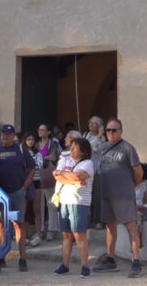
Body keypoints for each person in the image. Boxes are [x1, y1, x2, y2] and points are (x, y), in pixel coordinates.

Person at [93, 118, 143, 278]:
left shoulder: (128, 148)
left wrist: (132, 185)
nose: (110, 133)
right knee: (110, 226)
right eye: (108, 130)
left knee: (131, 226)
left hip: (123, 194)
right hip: (106, 193)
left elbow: (138, 171)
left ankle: (136, 261)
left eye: (114, 130)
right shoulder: (104, 147)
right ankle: (110, 258)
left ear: (121, 131)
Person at [0, 124, 36, 272]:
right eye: (4, 134)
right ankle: (1, 256)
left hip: (17, 191)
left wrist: (25, 185)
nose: (6, 136)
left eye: (9, 134)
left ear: (13, 136)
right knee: (0, 225)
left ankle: (22, 258)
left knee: (19, 224)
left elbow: (32, 167)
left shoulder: (21, 149)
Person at [53, 137, 94, 278]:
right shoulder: (66, 160)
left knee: (79, 234)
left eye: (75, 147)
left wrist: (65, 175)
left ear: (83, 151)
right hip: (64, 200)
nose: (71, 149)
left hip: (79, 202)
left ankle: (85, 266)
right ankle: (65, 265)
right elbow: (56, 174)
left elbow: (77, 175)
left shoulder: (88, 163)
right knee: (66, 234)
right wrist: (71, 178)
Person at [36, 123, 61, 242]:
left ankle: (52, 229)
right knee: (39, 205)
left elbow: (53, 156)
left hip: (49, 175)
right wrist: (43, 157)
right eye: (39, 129)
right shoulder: (36, 144)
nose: (40, 131)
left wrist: (40, 157)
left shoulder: (53, 144)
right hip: (37, 176)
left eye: (43, 130)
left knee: (51, 203)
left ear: (48, 132)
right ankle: (40, 230)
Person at [22, 132, 44, 247]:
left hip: (36, 182)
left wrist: (29, 164)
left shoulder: (38, 153)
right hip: (25, 183)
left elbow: (38, 166)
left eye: (32, 139)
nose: (30, 141)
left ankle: (38, 234)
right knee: (25, 210)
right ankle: (23, 235)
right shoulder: (21, 152)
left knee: (36, 209)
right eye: (28, 139)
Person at [84, 116, 106, 228]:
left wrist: (100, 135)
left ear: (99, 126)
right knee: (86, 196)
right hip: (85, 171)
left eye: (93, 123)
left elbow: (96, 149)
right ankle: (87, 220)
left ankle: (98, 220)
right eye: (90, 123)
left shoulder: (101, 138)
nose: (90, 125)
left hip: (96, 170)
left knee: (97, 196)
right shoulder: (85, 135)